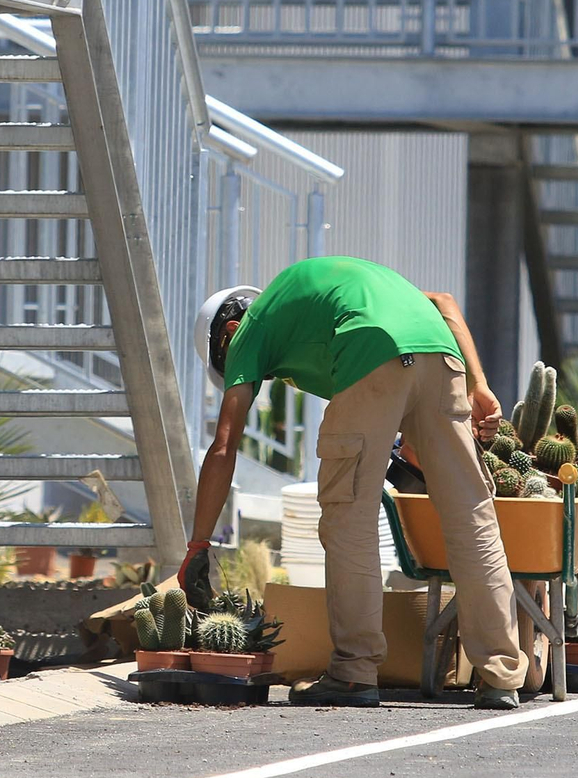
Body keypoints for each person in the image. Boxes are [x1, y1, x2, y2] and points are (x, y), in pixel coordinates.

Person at [180, 256, 526, 708]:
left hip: (371, 348)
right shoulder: (309, 303)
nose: (249, 377)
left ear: (228, 331)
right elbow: (443, 303)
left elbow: (225, 446)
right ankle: (501, 675)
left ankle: (354, 672)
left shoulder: (251, 327)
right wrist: (478, 385)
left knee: (349, 520)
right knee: (471, 518)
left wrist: (198, 544)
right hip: (441, 353)